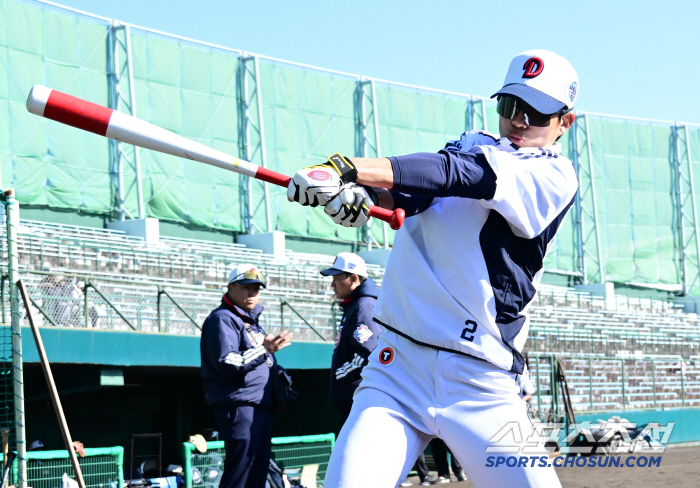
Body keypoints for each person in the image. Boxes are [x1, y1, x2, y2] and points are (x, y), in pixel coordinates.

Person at [287, 50, 579, 487]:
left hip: (481, 379)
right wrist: (361, 197)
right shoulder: (473, 143)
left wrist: (346, 168)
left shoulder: (555, 175)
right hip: (397, 368)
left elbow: (459, 176)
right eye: (509, 105)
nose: (519, 120)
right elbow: (416, 195)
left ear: (565, 122)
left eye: (535, 112)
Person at [200, 264, 293, 488]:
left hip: (259, 405)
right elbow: (227, 361)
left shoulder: (249, 321)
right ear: (231, 287)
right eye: (246, 287)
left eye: (256, 289)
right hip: (239, 405)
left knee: (257, 472)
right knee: (240, 473)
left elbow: (259, 360)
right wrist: (264, 351)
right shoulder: (222, 319)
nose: (252, 293)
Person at [321, 253, 382, 422]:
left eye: (336, 278)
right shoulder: (356, 304)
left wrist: (340, 374)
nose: (332, 284)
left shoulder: (364, 306)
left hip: (361, 398)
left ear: (354, 278)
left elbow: (368, 353)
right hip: (356, 397)